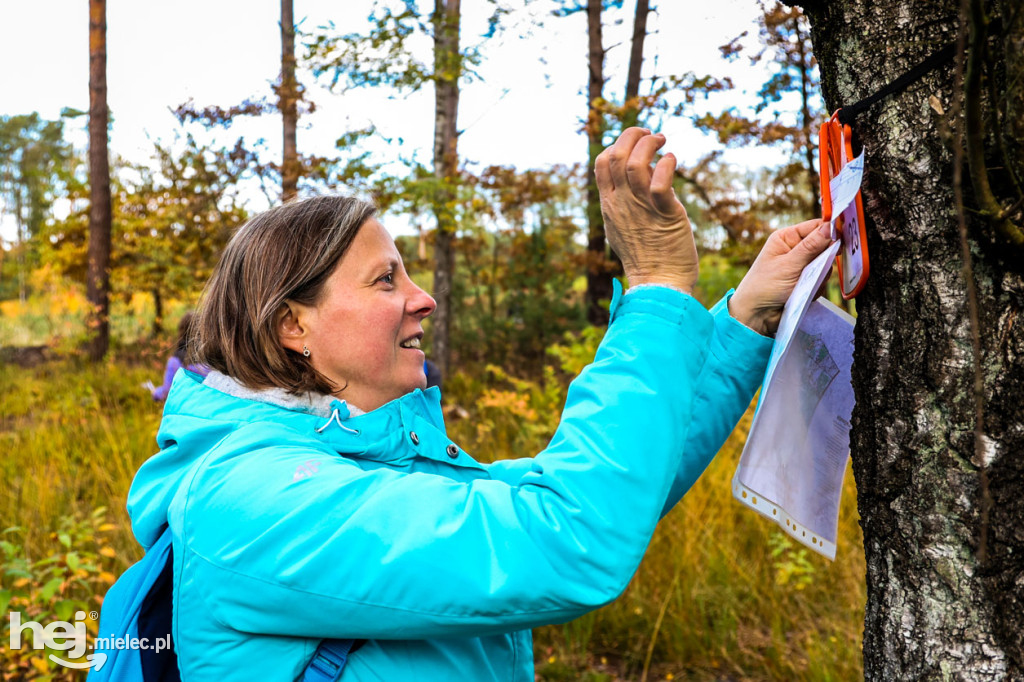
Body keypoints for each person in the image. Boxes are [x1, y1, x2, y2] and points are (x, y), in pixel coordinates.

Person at [125, 129, 833, 681]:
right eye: (384, 280)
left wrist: (743, 319)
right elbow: (567, 534)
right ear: (292, 326)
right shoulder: (254, 497)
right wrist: (652, 289)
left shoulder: (363, 456)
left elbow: (613, 485)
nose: (422, 297)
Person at [147, 312, 210, 402]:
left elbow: (167, 392)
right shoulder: (212, 359)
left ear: (181, 332)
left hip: (185, 410)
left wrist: (156, 393)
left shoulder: (175, 362)